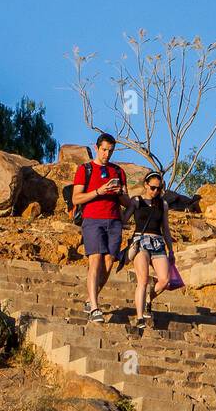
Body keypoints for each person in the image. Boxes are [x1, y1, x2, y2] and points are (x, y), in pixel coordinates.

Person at [71, 133, 128, 323]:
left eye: (110, 151)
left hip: (114, 220)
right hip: (92, 219)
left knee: (109, 261)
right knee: (95, 260)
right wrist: (99, 191)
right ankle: (95, 307)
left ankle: (89, 300)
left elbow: (126, 201)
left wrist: (121, 193)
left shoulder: (118, 171)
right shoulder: (85, 169)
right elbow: (76, 198)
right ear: (96, 148)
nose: (107, 154)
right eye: (104, 150)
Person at [123, 172, 174, 329]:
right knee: (143, 279)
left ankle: (147, 299)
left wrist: (171, 250)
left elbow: (165, 228)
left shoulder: (163, 204)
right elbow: (124, 219)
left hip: (158, 242)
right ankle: (140, 317)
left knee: (165, 280)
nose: (155, 191)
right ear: (146, 184)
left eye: (159, 189)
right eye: (152, 188)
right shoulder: (137, 201)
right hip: (141, 241)